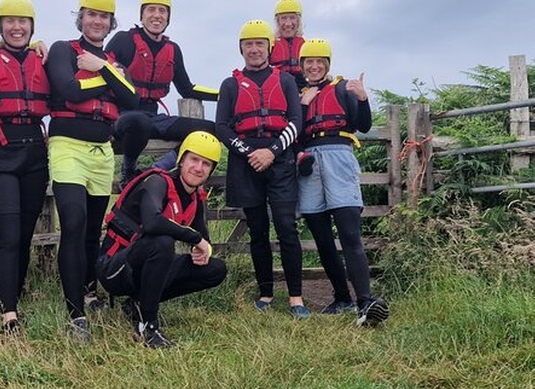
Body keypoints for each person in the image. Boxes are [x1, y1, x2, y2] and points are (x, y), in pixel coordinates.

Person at [45, 0, 139, 341]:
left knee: (92, 228)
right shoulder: (62, 51)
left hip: (102, 152)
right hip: (67, 145)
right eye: (91, 15)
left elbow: (132, 99)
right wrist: (110, 79)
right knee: (73, 221)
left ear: (111, 22)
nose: (97, 21)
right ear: (80, 17)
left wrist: (102, 69)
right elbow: (69, 90)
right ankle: (76, 315)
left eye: (104, 16)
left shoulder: (112, 63)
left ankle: (88, 289)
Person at [96, 131, 228, 348]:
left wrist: (204, 250)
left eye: (206, 164)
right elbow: (152, 223)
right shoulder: (157, 182)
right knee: (162, 241)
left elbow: (205, 240)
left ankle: (137, 305)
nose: (198, 168)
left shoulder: (195, 199)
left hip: (146, 266)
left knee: (216, 269)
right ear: (182, 159)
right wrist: (195, 239)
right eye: (194, 159)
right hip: (114, 268)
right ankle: (147, 326)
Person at [215, 19, 310, 318]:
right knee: (257, 230)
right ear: (241, 49)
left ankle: (296, 298)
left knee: (286, 226)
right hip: (246, 163)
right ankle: (266, 294)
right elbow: (222, 127)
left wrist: (272, 152)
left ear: (269, 47)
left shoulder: (285, 81)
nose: (254, 49)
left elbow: (296, 122)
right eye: (248, 44)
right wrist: (249, 152)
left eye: (259, 44)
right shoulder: (230, 85)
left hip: (278, 159)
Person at [296, 38, 390, 326]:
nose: (313, 66)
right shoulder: (301, 96)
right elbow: (296, 133)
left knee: (349, 234)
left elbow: (362, 125)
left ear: (327, 64)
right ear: (301, 66)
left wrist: (362, 98)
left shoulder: (343, 88)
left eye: (319, 62)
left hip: (339, 156)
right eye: (308, 62)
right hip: (309, 161)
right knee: (322, 237)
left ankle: (365, 301)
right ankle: (341, 298)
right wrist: (302, 107)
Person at [0, 0, 50, 334]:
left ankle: (14, 295)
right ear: (0, 25)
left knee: (25, 234)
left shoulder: (43, 60)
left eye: (23, 21)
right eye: (9, 21)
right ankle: (8, 314)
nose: (17, 27)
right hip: (1, 154)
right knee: (8, 235)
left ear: (32, 26)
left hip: (35, 154)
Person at [105, 0, 217, 187]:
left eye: (162, 11)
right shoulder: (123, 40)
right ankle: (129, 171)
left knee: (208, 130)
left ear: (168, 17)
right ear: (142, 15)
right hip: (122, 116)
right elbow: (101, 71)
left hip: (153, 117)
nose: (157, 15)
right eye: (151, 10)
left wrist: (224, 94)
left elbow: (187, 89)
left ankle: (157, 169)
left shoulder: (172, 50)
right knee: (139, 121)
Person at [269, 0, 307, 88]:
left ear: (298, 21)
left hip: (303, 86)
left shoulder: (307, 46)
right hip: (278, 85)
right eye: (284, 18)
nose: (288, 23)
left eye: (292, 18)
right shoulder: (269, 46)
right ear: (277, 21)